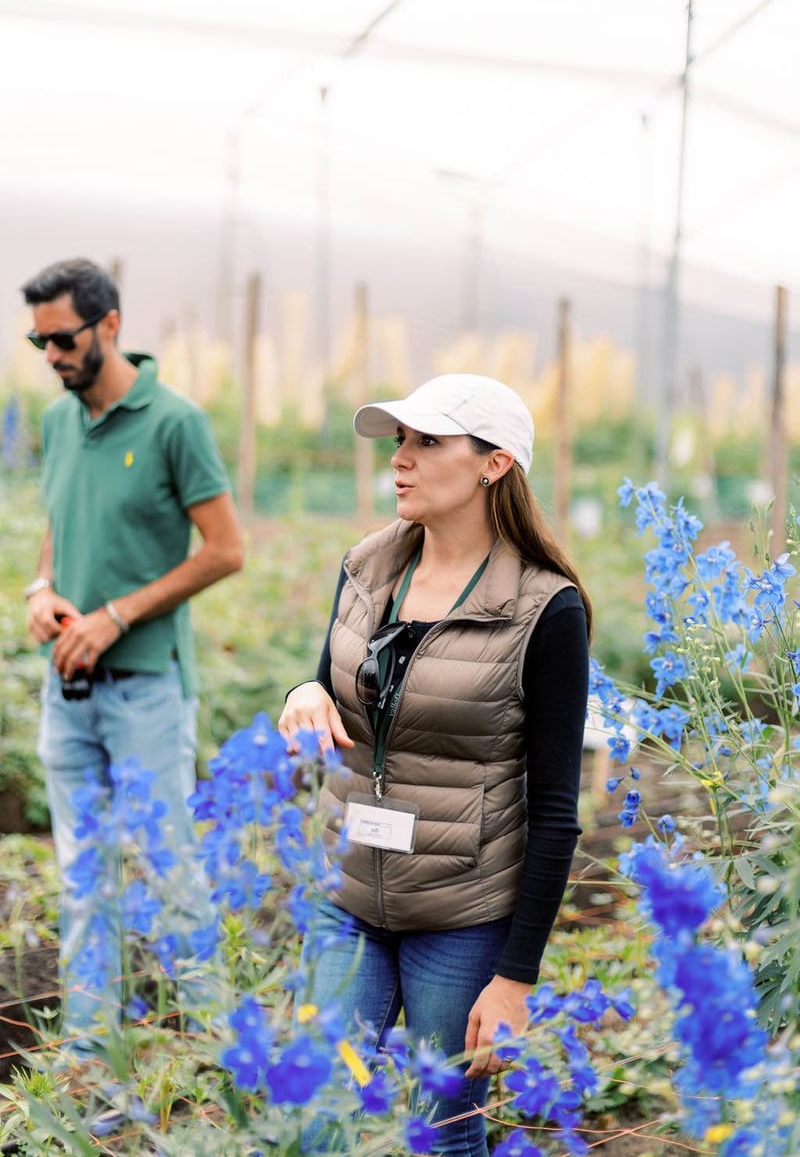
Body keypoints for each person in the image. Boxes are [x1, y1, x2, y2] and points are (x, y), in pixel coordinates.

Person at [279, 372, 591, 1157]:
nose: (402, 459)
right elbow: (325, 680)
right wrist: (301, 692)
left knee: (444, 1137)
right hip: (348, 890)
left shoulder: (545, 610)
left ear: (493, 464)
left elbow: (555, 808)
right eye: (399, 441)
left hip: (461, 916)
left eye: (428, 441)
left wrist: (515, 978)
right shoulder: (367, 567)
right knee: (315, 1117)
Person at [21, 257, 244, 1058]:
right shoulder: (55, 422)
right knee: (85, 884)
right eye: (39, 341)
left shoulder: (174, 422)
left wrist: (117, 616)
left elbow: (225, 550)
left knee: (171, 874)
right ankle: (92, 1065)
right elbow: (58, 516)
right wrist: (42, 588)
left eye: (62, 338)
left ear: (109, 325)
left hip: (148, 688)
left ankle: (228, 1058)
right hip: (67, 689)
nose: (51, 356)